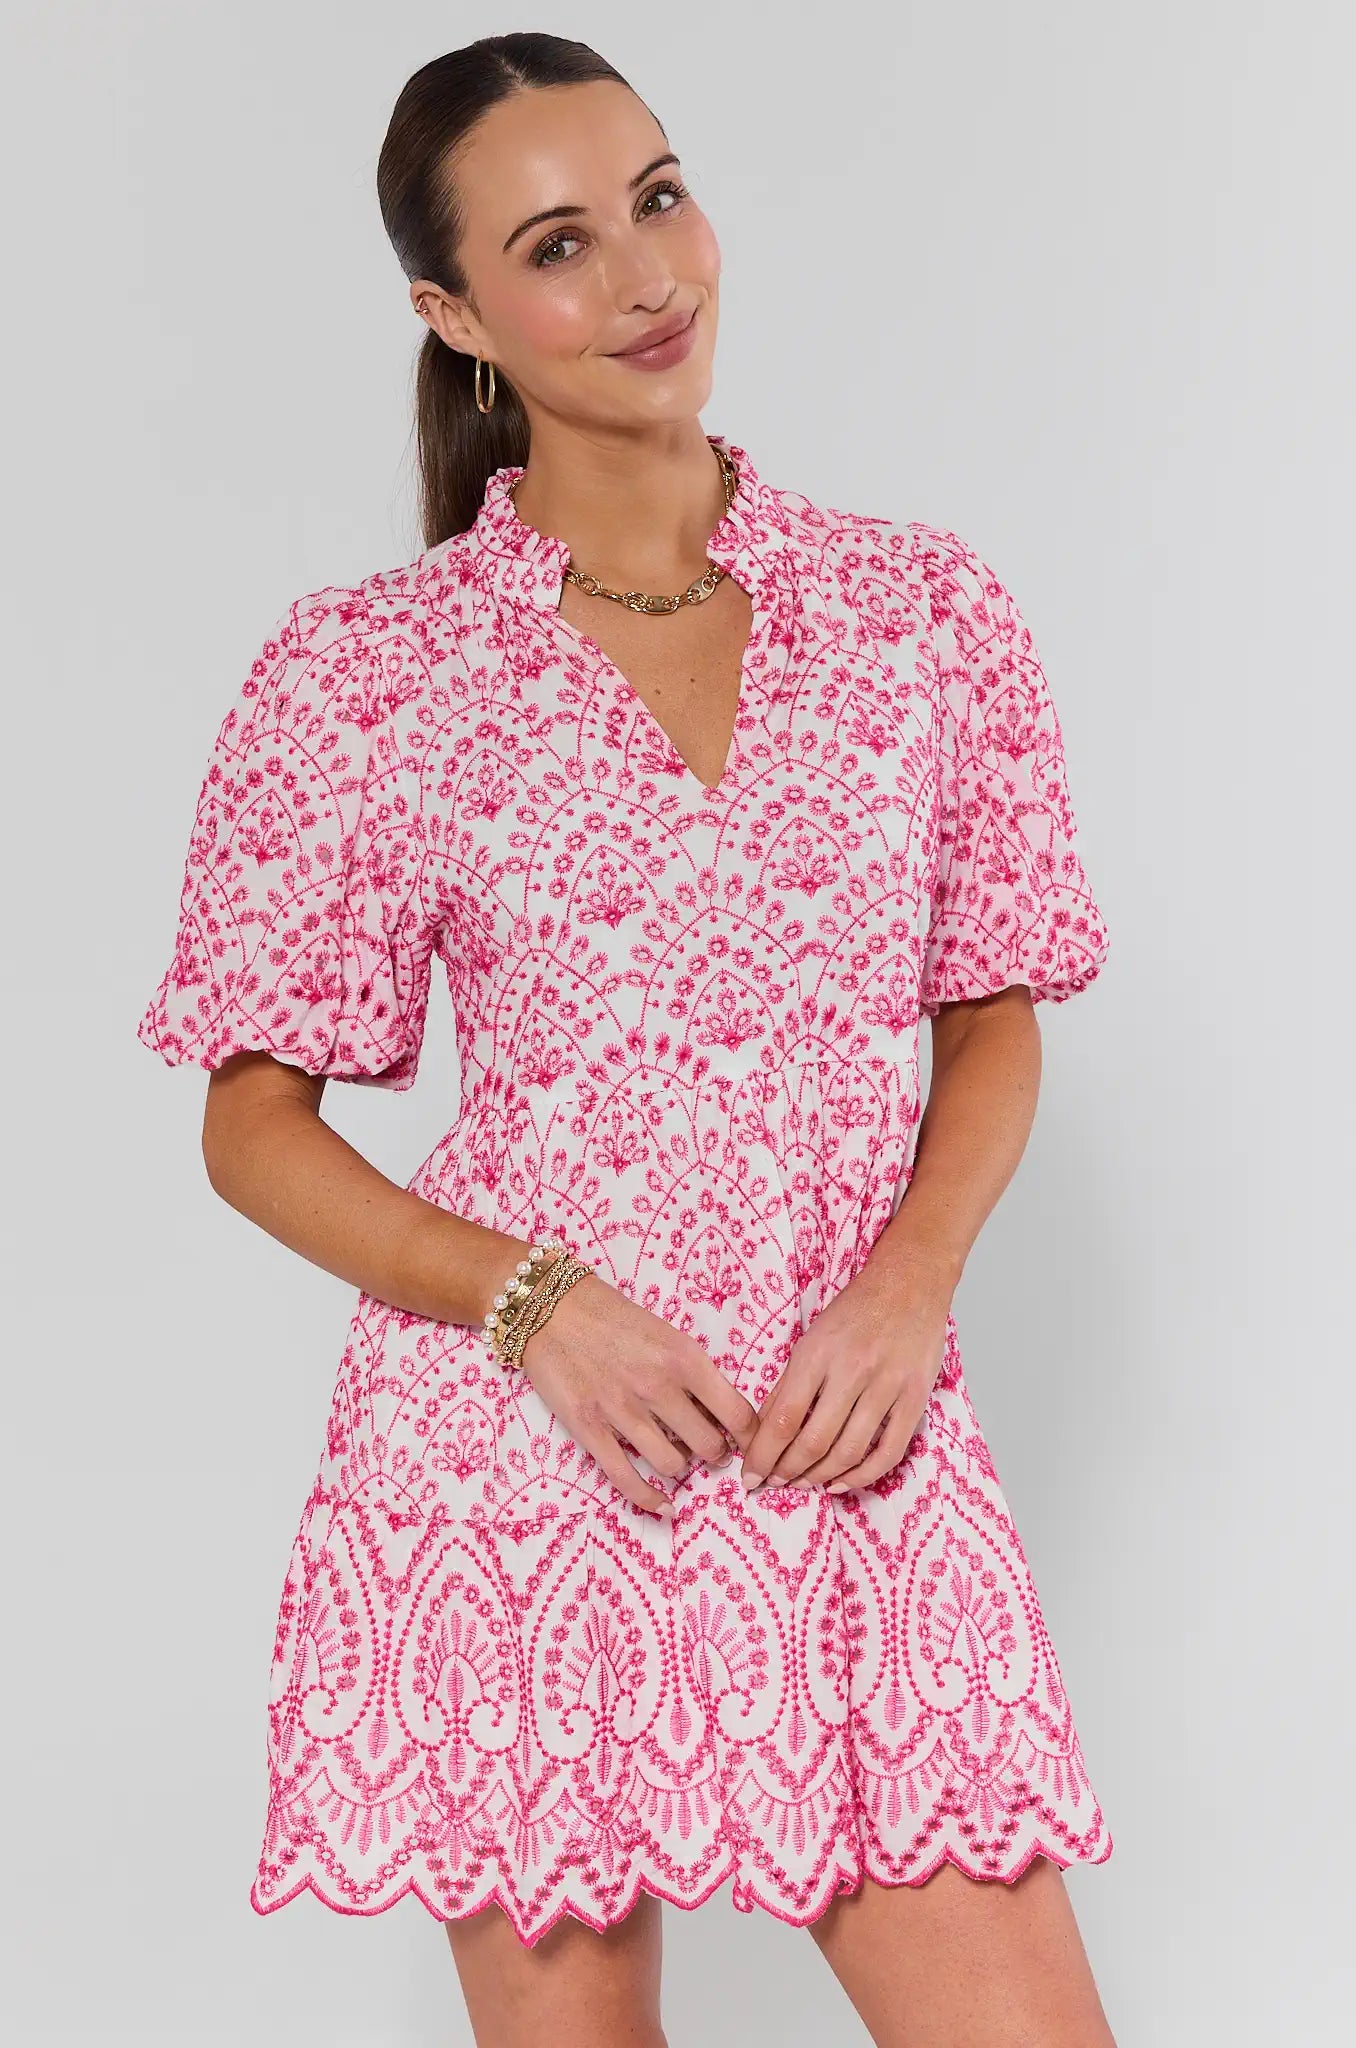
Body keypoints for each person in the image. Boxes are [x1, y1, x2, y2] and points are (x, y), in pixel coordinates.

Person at [136, 31, 1117, 2048]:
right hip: (519, 1462)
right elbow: (255, 1125)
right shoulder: (364, 676)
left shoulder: (919, 611)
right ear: (452, 312)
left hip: (853, 1442)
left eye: (658, 196)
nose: (647, 277)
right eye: (559, 245)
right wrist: (534, 1306)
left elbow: (990, 1013)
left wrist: (911, 1283)